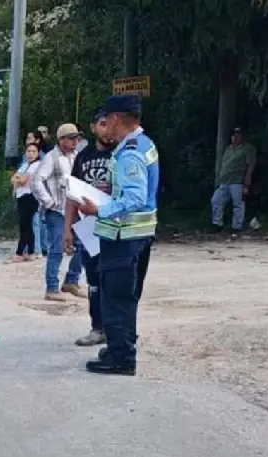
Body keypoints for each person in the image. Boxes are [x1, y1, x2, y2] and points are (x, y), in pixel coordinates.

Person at [76, 94, 159, 376]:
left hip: (124, 237)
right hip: (139, 234)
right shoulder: (143, 144)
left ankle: (121, 357)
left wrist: (99, 209)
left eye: (106, 120)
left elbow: (135, 197)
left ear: (115, 119)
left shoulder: (130, 153)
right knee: (127, 295)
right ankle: (119, 346)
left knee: (115, 296)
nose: (105, 126)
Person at [64, 108, 116, 346]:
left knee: (116, 280)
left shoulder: (122, 153)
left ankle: (118, 330)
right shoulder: (84, 157)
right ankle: (97, 327)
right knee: (93, 279)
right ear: (94, 127)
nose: (107, 129)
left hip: (117, 225)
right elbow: (73, 195)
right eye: (102, 124)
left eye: (110, 124)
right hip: (90, 227)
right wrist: (68, 229)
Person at [32, 122, 82, 301]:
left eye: (77, 137)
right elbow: (37, 181)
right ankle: (51, 287)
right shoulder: (51, 158)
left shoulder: (77, 156)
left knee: (83, 245)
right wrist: (49, 202)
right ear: (62, 140)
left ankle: (71, 280)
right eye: (71, 138)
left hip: (76, 209)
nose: (75, 141)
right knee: (57, 247)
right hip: (57, 211)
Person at [210, 126, 256, 233]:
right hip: (224, 181)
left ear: (242, 136)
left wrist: (247, 181)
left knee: (238, 204)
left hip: (237, 181)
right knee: (216, 200)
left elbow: (250, 165)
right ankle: (217, 224)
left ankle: (236, 227)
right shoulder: (228, 149)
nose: (234, 137)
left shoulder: (247, 148)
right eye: (233, 135)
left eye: (237, 135)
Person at [8, 143, 42, 263]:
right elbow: (13, 179)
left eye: (33, 151)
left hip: (30, 196)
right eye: (28, 151)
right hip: (21, 196)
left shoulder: (37, 165)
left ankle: (19, 253)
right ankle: (31, 252)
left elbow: (21, 180)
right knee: (28, 225)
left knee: (25, 225)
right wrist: (18, 179)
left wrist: (18, 179)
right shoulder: (24, 165)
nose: (30, 154)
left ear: (38, 153)